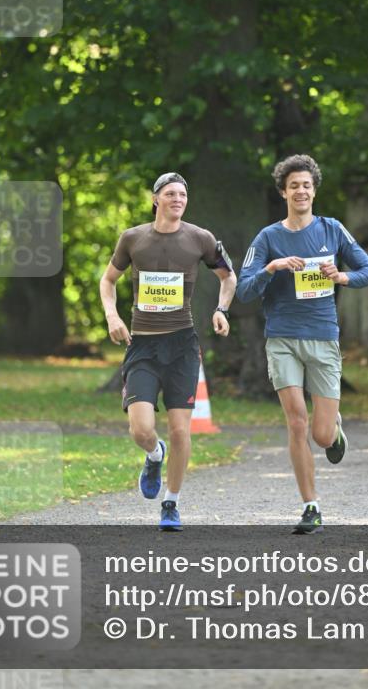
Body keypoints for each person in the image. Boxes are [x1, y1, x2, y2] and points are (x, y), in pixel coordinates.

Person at [236, 154, 368, 534]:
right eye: (293, 185)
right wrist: (273, 268)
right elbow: (244, 290)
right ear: (283, 192)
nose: (300, 190)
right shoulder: (268, 238)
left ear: (314, 191)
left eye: (306, 185)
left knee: (321, 434)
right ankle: (311, 507)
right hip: (282, 338)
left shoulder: (332, 230)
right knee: (296, 423)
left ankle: (333, 427)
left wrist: (342, 277)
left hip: (323, 338)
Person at [100, 172, 236, 531]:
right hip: (142, 345)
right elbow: (108, 281)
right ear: (156, 199)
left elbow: (228, 276)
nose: (178, 199)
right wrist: (112, 316)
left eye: (182, 194)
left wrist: (221, 310)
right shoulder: (133, 238)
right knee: (141, 429)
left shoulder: (200, 238)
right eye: (170, 194)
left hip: (182, 346)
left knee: (180, 430)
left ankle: (171, 503)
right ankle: (153, 454)